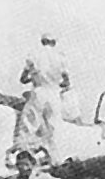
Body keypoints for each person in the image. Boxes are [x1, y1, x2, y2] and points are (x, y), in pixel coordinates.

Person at [13, 33, 71, 165]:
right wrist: (56, 82)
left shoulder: (34, 55)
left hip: (39, 91)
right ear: (54, 42)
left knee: (29, 124)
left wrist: (33, 77)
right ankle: (56, 159)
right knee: (53, 127)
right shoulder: (60, 57)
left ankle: (22, 156)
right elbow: (66, 82)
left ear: (42, 41)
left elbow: (22, 79)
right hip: (54, 93)